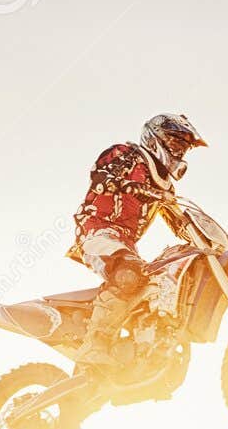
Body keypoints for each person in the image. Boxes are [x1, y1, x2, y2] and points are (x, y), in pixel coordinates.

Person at [67, 113, 206, 373]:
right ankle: (94, 345)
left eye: (184, 148)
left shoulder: (165, 186)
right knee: (129, 274)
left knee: (158, 281)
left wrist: (205, 242)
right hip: (98, 231)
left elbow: (179, 224)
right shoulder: (127, 154)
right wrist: (141, 190)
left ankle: (139, 348)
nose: (179, 152)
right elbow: (102, 180)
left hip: (127, 244)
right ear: (157, 139)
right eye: (176, 144)